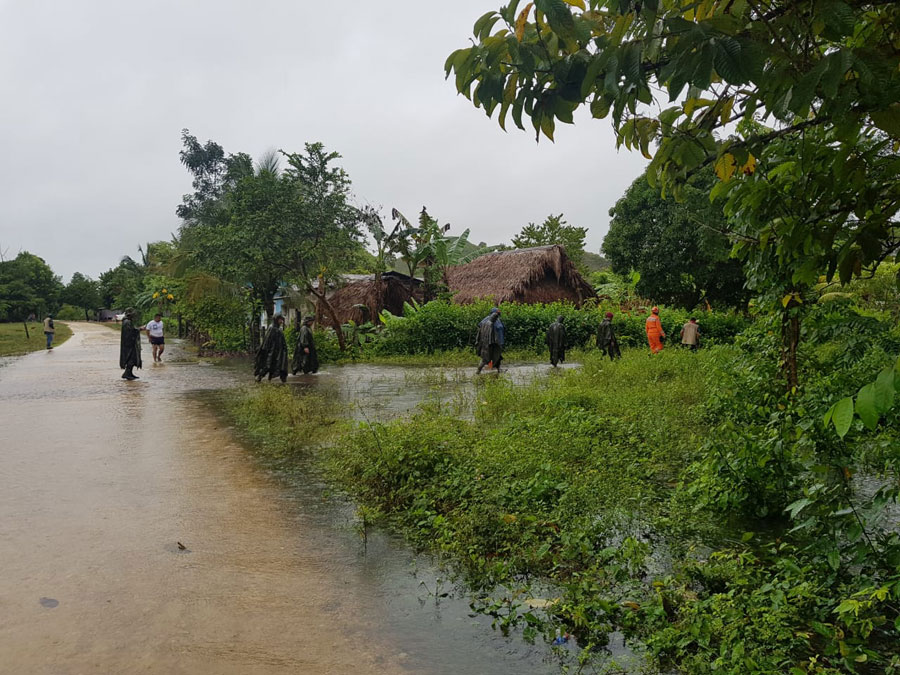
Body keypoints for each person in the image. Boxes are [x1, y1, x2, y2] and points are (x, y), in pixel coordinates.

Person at [254, 314, 289, 382]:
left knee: (281, 365)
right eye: (280, 319)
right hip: (272, 352)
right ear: (276, 319)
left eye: (281, 319)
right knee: (268, 365)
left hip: (279, 351)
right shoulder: (272, 328)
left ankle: (282, 380)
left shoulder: (278, 329)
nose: (281, 321)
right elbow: (267, 342)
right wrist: (267, 351)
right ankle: (260, 376)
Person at [475, 309, 504, 374]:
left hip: (497, 343)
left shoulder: (498, 321)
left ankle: (499, 370)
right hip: (488, 343)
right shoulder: (486, 322)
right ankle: (478, 371)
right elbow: (481, 333)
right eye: (496, 314)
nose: (497, 315)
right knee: (485, 359)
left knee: (498, 357)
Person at [119, 308, 142, 380]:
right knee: (130, 358)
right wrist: (139, 329)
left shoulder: (128, 321)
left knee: (133, 358)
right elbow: (129, 333)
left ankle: (129, 373)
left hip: (130, 344)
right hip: (129, 344)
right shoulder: (127, 322)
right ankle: (127, 373)